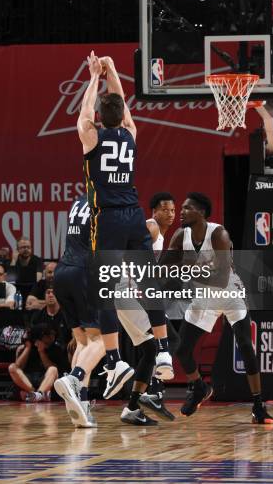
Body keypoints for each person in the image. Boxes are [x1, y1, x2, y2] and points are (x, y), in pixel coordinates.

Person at [77, 51, 172, 426]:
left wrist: (92, 78)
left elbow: (84, 115)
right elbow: (123, 109)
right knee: (149, 281)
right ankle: (163, 351)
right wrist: (113, 70)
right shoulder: (130, 134)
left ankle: (115, 362)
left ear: (102, 118)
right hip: (134, 215)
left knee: (105, 287)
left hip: (111, 218)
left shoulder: (91, 135)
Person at [167, 193, 273, 425]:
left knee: (246, 345)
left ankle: (258, 405)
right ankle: (198, 387)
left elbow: (221, 277)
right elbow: (164, 267)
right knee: (182, 350)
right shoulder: (179, 236)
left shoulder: (218, 234)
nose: (181, 211)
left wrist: (187, 271)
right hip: (203, 297)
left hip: (230, 293)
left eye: (187, 208)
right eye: (181, 207)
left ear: (202, 213)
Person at [116, 191, 178, 421]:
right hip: (126, 289)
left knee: (152, 348)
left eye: (173, 210)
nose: (170, 214)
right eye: (165, 209)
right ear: (154, 211)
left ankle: (132, 408)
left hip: (128, 291)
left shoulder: (162, 236)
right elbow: (128, 252)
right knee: (168, 340)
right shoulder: (151, 227)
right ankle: (155, 392)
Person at [54, 195, 105, 428]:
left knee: (82, 342)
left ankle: (80, 404)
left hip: (62, 270)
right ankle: (74, 378)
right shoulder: (108, 203)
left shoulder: (78, 201)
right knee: (102, 340)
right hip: (83, 272)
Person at [8, 323, 68, 403]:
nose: (52, 337)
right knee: (12, 367)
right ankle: (36, 394)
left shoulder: (56, 349)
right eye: (49, 335)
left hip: (45, 380)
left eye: (53, 334)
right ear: (40, 336)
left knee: (53, 369)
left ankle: (38, 394)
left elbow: (53, 370)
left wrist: (41, 351)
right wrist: (28, 347)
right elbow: (18, 367)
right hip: (28, 380)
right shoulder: (25, 347)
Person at [9, 237, 43, 305]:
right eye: (23, 247)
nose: (26, 249)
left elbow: (38, 278)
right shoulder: (13, 261)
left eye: (28, 247)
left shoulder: (36, 260)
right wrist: (13, 261)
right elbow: (10, 279)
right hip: (17, 291)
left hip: (32, 291)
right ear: (17, 250)